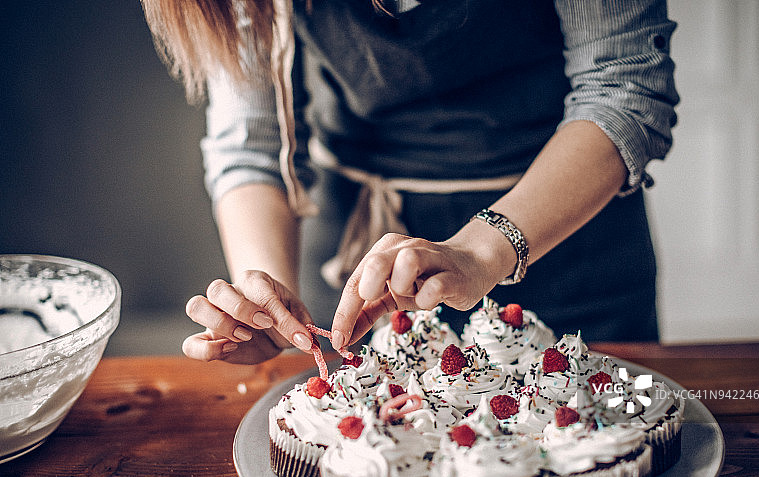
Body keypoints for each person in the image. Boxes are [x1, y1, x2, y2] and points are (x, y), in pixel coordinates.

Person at [141, 0, 678, 365]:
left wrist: (480, 252)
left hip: (567, 242)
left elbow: (624, 90)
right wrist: (264, 305)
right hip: (354, 257)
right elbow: (252, 143)